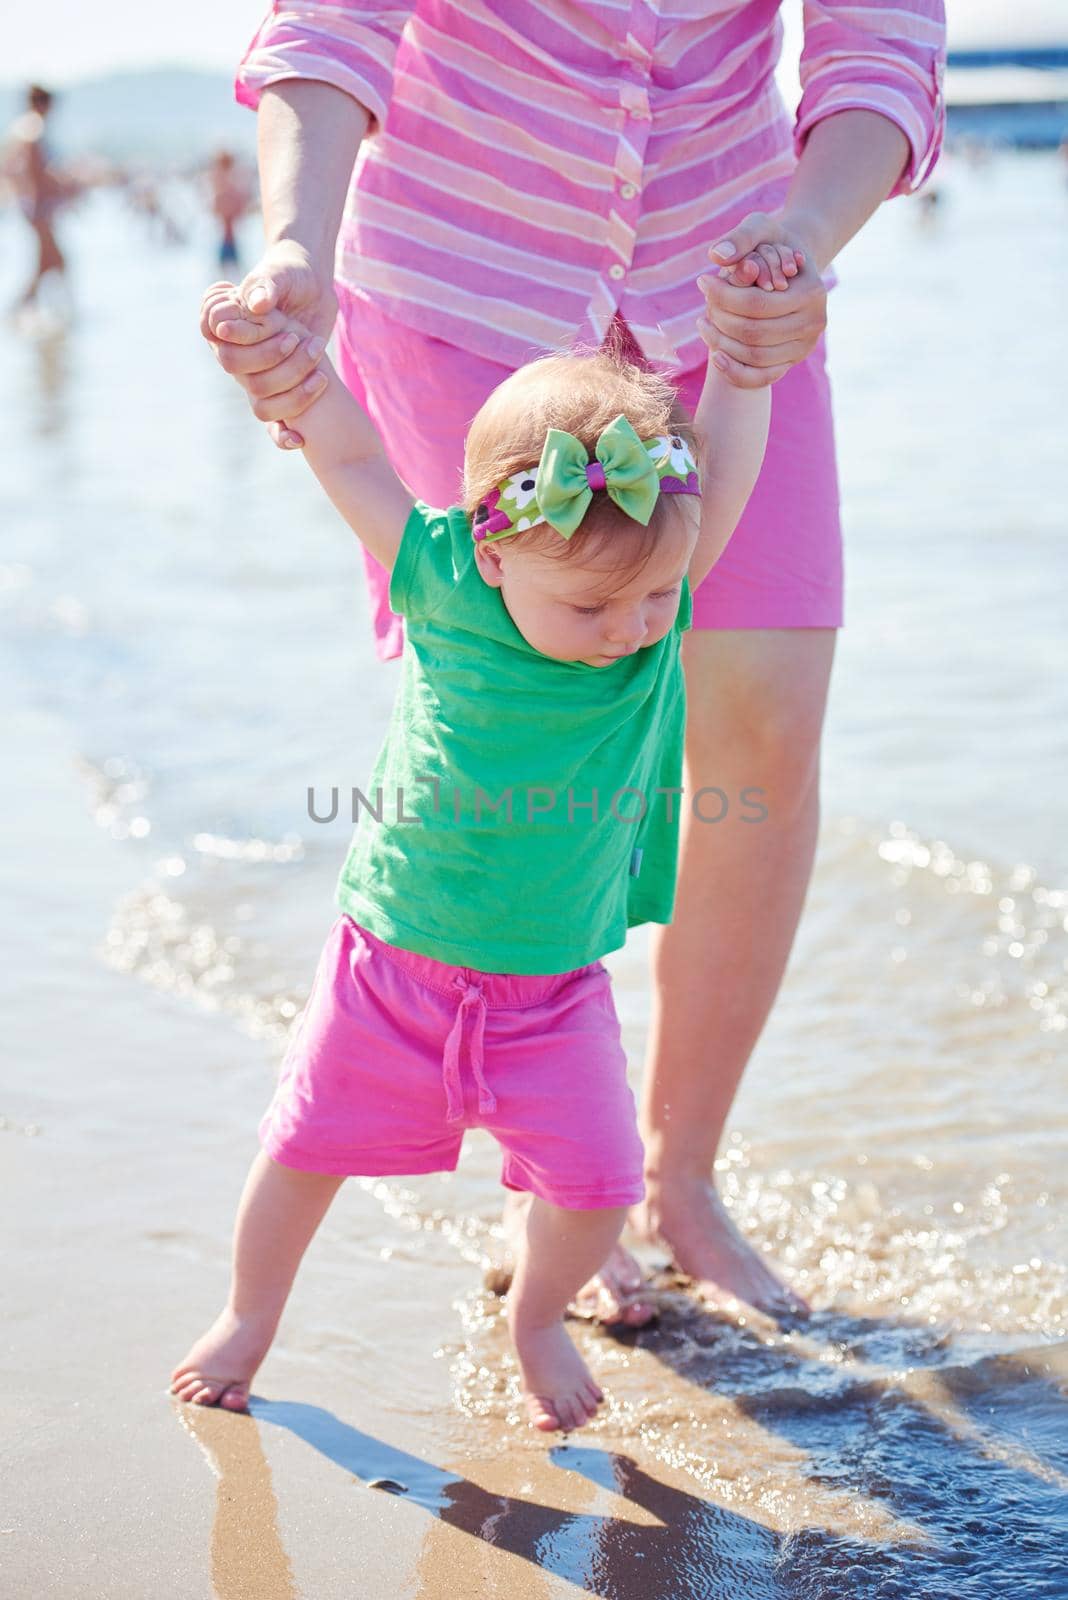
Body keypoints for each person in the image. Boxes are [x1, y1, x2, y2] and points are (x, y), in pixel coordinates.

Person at [200, 1, 947, 1327]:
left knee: (767, 738)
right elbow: (333, 25)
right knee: (525, 718)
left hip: (736, 302)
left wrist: (803, 239)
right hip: (464, 281)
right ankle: (557, 1170)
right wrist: (295, 246)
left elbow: (877, 39)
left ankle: (681, 1175)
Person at [171, 252, 785, 1429]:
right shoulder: (448, 579)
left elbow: (727, 473)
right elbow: (353, 457)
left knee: (601, 1183)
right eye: (592, 609)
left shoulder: (655, 595)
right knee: (303, 1150)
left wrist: (744, 368)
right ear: (495, 554)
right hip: (391, 965)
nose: (633, 630)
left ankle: (538, 1312)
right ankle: (250, 1315)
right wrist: (297, 377)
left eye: (655, 598)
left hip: (552, 990)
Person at [4, 84, 71, 313]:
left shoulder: (22, 127)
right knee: (56, 260)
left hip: (30, 203)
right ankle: (62, 312)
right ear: (44, 104)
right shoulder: (34, 127)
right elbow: (35, 169)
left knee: (47, 261)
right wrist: (51, 189)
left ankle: (27, 309)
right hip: (37, 204)